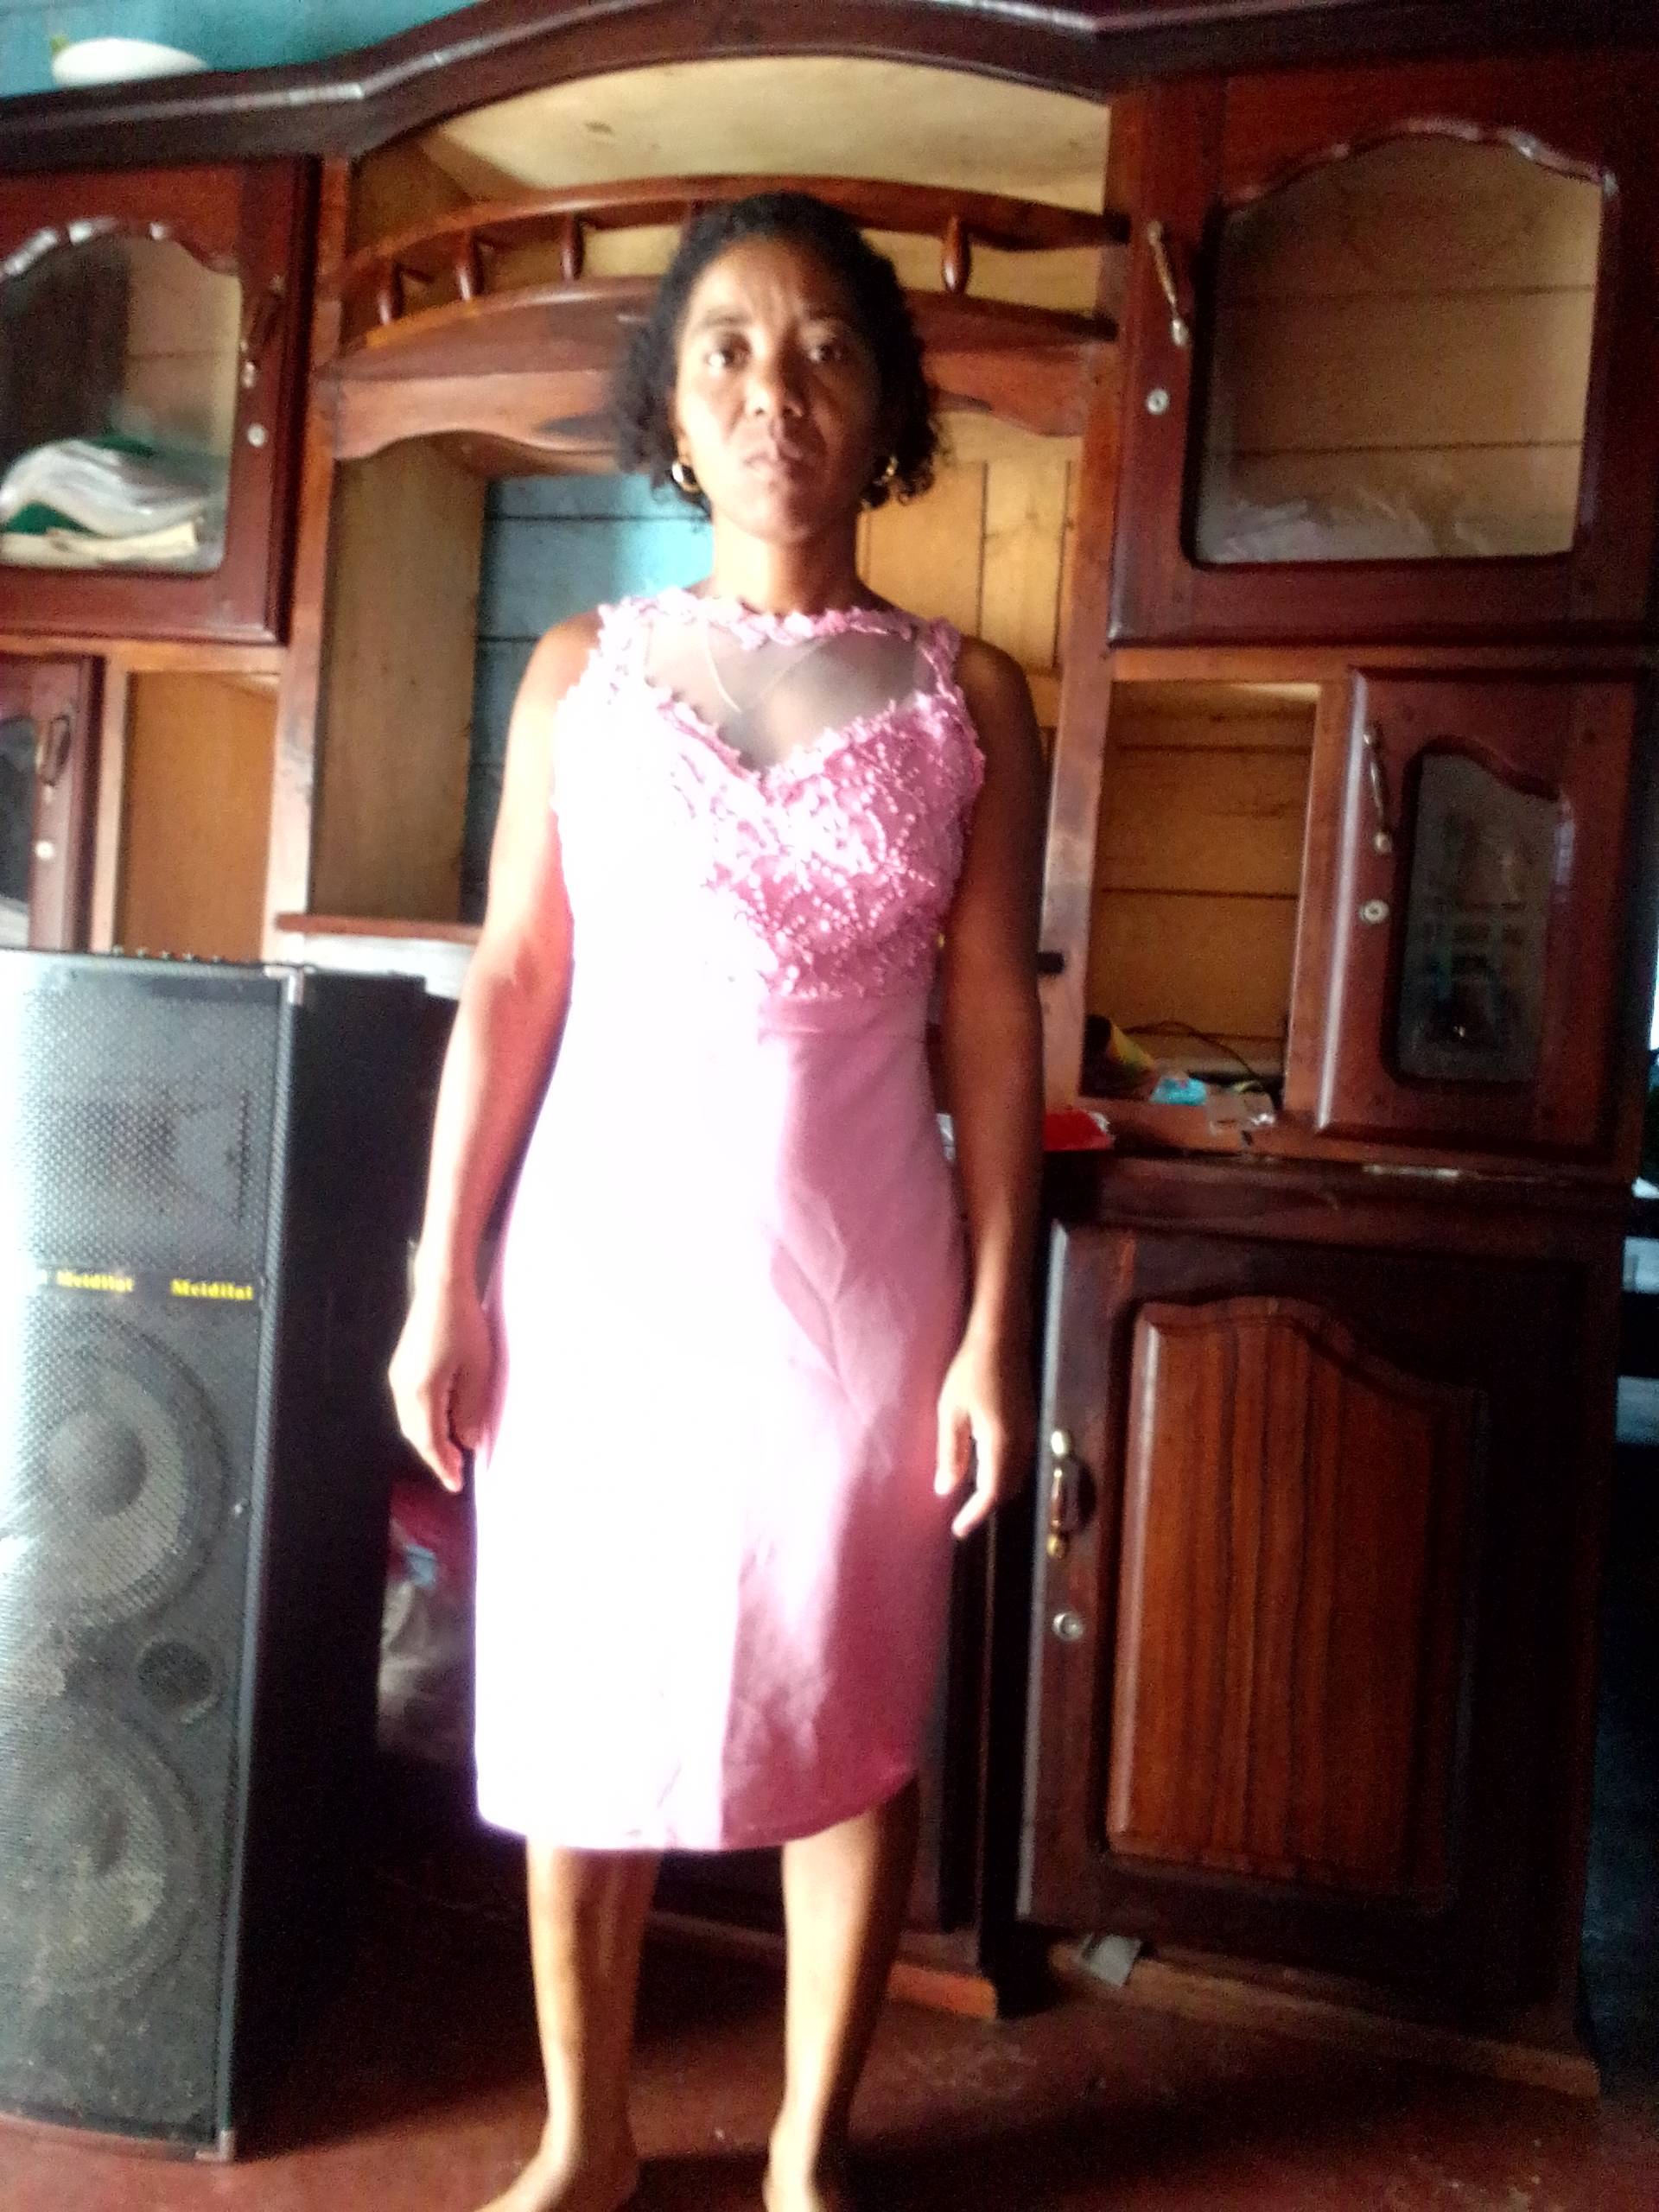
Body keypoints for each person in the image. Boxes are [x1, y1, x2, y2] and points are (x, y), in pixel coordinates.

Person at [389, 188, 1046, 2212]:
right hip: (599, 1277)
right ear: (674, 408)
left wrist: (996, 1326)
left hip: (860, 1287)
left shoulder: (973, 696)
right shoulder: (579, 670)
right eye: (731, 349)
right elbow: (514, 977)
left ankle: (803, 2152)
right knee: (586, 1695)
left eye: (828, 346)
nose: (780, 390)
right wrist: (442, 1278)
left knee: (850, 1689)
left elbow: (993, 1026)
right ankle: (584, 2136)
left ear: (887, 405)